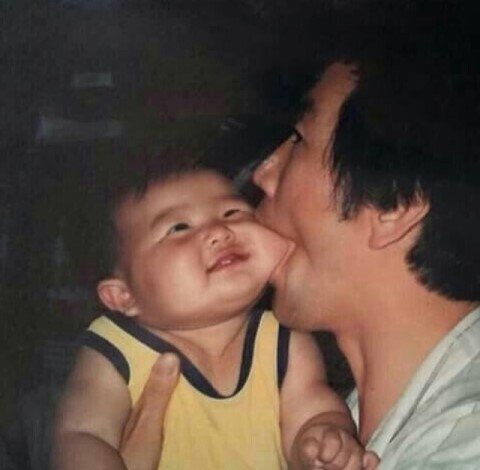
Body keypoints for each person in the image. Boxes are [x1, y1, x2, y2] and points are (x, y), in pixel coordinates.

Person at [52, 153, 378, 470]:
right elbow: (82, 434)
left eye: (232, 212)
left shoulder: (282, 342)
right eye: (179, 227)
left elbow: (312, 410)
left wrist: (322, 441)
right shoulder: (116, 349)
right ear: (124, 296)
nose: (219, 231)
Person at [252, 47, 480, 469]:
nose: (263, 173)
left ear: (393, 207)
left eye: (300, 140)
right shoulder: (338, 426)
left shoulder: (466, 443)